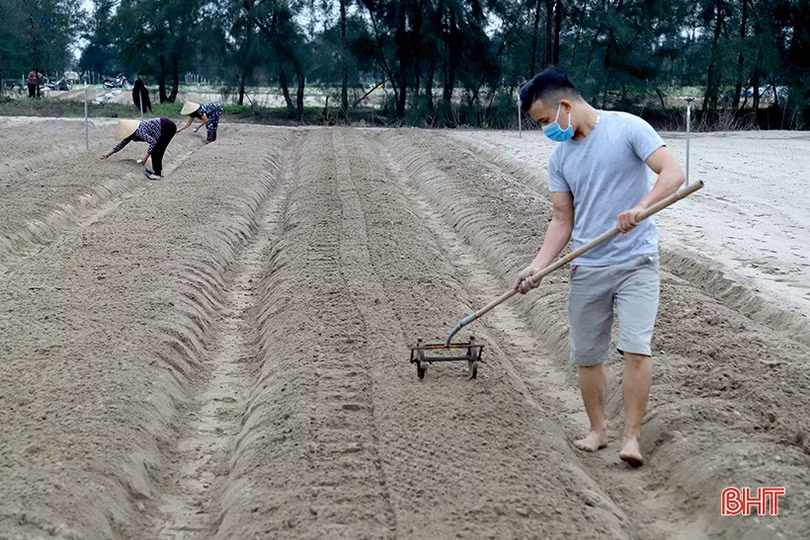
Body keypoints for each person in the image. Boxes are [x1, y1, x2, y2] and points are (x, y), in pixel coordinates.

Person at [513, 67, 685, 467]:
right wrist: (538, 266)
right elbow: (561, 219)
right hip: (587, 266)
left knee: (636, 348)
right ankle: (598, 430)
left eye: (544, 121)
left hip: (636, 262)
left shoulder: (628, 128)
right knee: (588, 355)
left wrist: (641, 208)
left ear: (566, 106)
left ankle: (632, 438)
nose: (545, 131)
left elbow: (673, 173)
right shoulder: (560, 158)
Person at [100, 117, 177, 180]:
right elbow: (122, 144)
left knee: (156, 150)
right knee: (157, 150)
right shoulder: (131, 134)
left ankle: (157, 174)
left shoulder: (139, 132)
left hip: (168, 126)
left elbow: (153, 142)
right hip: (164, 126)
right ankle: (157, 171)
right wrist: (108, 154)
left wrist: (145, 157)